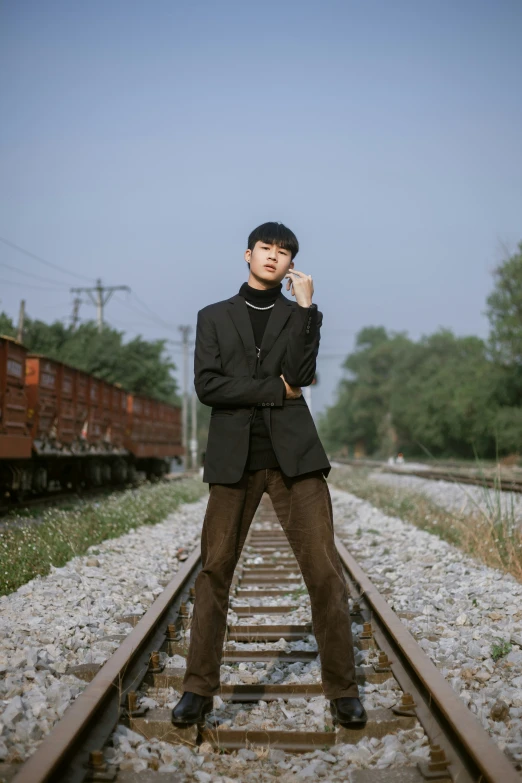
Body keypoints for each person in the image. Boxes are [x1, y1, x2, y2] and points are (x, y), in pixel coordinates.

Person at [171, 222, 366, 729]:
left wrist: (305, 309)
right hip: (234, 460)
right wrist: (273, 391)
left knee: (324, 570)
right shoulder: (213, 316)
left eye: (285, 253)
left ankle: (343, 689)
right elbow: (208, 386)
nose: (274, 257)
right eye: (266, 249)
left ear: (291, 264)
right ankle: (197, 689)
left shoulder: (299, 313)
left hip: (295, 459)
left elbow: (300, 375)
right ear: (248, 254)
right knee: (214, 570)